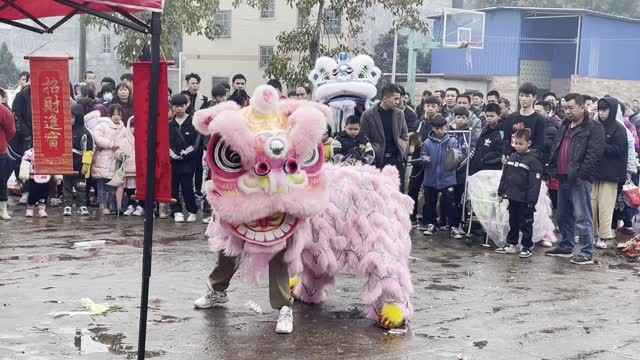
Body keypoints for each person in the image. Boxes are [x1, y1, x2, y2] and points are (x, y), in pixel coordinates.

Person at [546, 93, 605, 265]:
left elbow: (594, 154)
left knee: (582, 215)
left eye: (571, 108)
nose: (567, 111)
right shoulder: (564, 124)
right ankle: (566, 246)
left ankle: (586, 251)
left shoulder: (594, 127)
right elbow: (557, 147)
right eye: (565, 108)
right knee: (563, 214)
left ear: (582, 107)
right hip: (563, 176)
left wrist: (582, 175)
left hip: (579, 179)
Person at [496, 129, 543, 258]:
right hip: (512, 196)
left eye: (520, 143)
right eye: (515, 143)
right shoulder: (511, 157)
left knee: (526, 223)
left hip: (526, 200)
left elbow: (535, 184)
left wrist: (531, 201)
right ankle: (512, 244)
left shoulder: (533, 161)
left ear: (529, 143)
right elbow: (504, 176)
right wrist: (501, 192)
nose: (517, 146)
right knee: (513, 221)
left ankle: (527, 246)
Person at [590, 97, 628, 250]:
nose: (602, 113)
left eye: (605, 110)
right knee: (591, 204)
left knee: (605, 206)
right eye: (600, 110)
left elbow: (620, 150)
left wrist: (602, 146)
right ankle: (591, 234)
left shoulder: (619, 129)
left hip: (611, 175)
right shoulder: (596, 126)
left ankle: (603, 236)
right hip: (595, 173)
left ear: (612, 110)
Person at [360, 84, 408, 191]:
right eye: (395, 99)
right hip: (377, 162)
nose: (398, 102)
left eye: (399, 99)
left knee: (398, 195)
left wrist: (402, 149)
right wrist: (373, 152)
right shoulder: (368, 115)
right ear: (385, 99)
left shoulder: (399, 114)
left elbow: (404, 136)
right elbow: (364, 139)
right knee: (378, 195)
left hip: (397, 160)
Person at [419, 115, 459, 236]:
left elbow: (458, 155)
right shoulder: (427, 142)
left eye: (442, 128)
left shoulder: (452, 141)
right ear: (433, 128)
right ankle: (431, 224)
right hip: (430, 177)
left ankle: (453, 226)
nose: (439, 131)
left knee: (450, 204)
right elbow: (423, 155)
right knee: (430, 203)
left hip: (448, 178)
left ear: (446, 127)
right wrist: (424, 159)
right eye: (437, 129)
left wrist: (455, 159)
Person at [409, 96, 441, 224]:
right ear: (424, 107)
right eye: (428, 106)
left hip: (433, 162)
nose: (430, 108)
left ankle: (428, 219)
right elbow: (411, 140)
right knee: (413, 188)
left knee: (429, 192)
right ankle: (411, 217)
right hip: (418, 160)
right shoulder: (418, 123)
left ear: (438, 107)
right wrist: (415, 142)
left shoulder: (441, 123)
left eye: (434, 106)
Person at [169, 94, 201, 223]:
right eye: (176, 106)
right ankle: (176, 211)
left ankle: (192, 211)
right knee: (174, 187)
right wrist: (172, 154)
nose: (179, 109)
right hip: (173, 161)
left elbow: (196, 143)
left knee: (188, 187)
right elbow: (166, 142)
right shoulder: (170, 124)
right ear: (173, 107)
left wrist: (185, 154)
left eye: (182, 106)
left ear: (186, 105)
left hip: (188, 161)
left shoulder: (193, 123)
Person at [92, 104, 127, 215]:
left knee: (112, 184)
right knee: (101, 183)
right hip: (103, 158)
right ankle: (102, 205)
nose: (116, 117)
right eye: (114, 114)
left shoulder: (124, 128)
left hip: (115, 159)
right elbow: (96, 137)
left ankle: (112, 204)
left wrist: (121, 151)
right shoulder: (103, 125)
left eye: (119, 114)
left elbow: (125, 142)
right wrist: (110, 144)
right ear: (110, 115)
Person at [448, 106, 476, 239]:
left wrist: (460, 165)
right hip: (448, 172)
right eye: (458, 117)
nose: (460, 120)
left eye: (463, 117)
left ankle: (460, 224)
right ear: (454, 117)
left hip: (462, 173)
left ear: (468, 119)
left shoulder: (469, 133)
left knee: (461, 199)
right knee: (450, 199)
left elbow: (472, 151)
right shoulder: (449, 131)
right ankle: (451, 224)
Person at [62, 104, 94, 217]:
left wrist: (85, 165)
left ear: (78, 117)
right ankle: (67, 206)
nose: (69, 120)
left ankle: (82, 205)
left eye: (72, 117)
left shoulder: (85, 132)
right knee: (67, 186)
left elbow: (88, 150)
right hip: (67, 163)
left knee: (81, 186)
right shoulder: (64, 131)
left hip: (79, 163)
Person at [502, 83, 546, 159]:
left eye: (527, 96)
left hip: (529, 161)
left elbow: (539, 146)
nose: (523, 99)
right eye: (521, 95)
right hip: (511, 160)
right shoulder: (510, 118)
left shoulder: (539, 120)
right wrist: (505, 154)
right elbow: (506, 140)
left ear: (534, 97)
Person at [469, 103, 505, 175]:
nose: (489, 118)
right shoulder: (485, 129)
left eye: (492, 116)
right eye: (487, 116)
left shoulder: (503, 132)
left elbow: (500, 153)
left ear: (498, 116)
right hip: (477, 170)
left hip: (491, 171)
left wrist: (484, 159)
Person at [117, 117, 142, 216]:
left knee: (140, 188)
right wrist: (121, 154)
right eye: (132, 126)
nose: (134, 128)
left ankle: (140, 205)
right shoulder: (124, 140)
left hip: (140, 170)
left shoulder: (144, 139)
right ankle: (130, 205)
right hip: (127, 170)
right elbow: (118, 151)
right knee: (129, 189)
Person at [19, 148, 51, 218]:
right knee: (33, 193)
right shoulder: (29, 153)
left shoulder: (50, 151)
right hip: (33, 177)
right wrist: (24, 175)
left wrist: (58, 175)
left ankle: (42, 209)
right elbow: (25, 163)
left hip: (46, 176)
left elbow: (55, 161)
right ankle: (30, 209)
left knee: (44, 193)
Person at [0, 103, 16, 220]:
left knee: (1, 180)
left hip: (0, 150)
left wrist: (4, 141)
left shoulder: (2, 110)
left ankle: (3, 209)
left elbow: (11, 129)